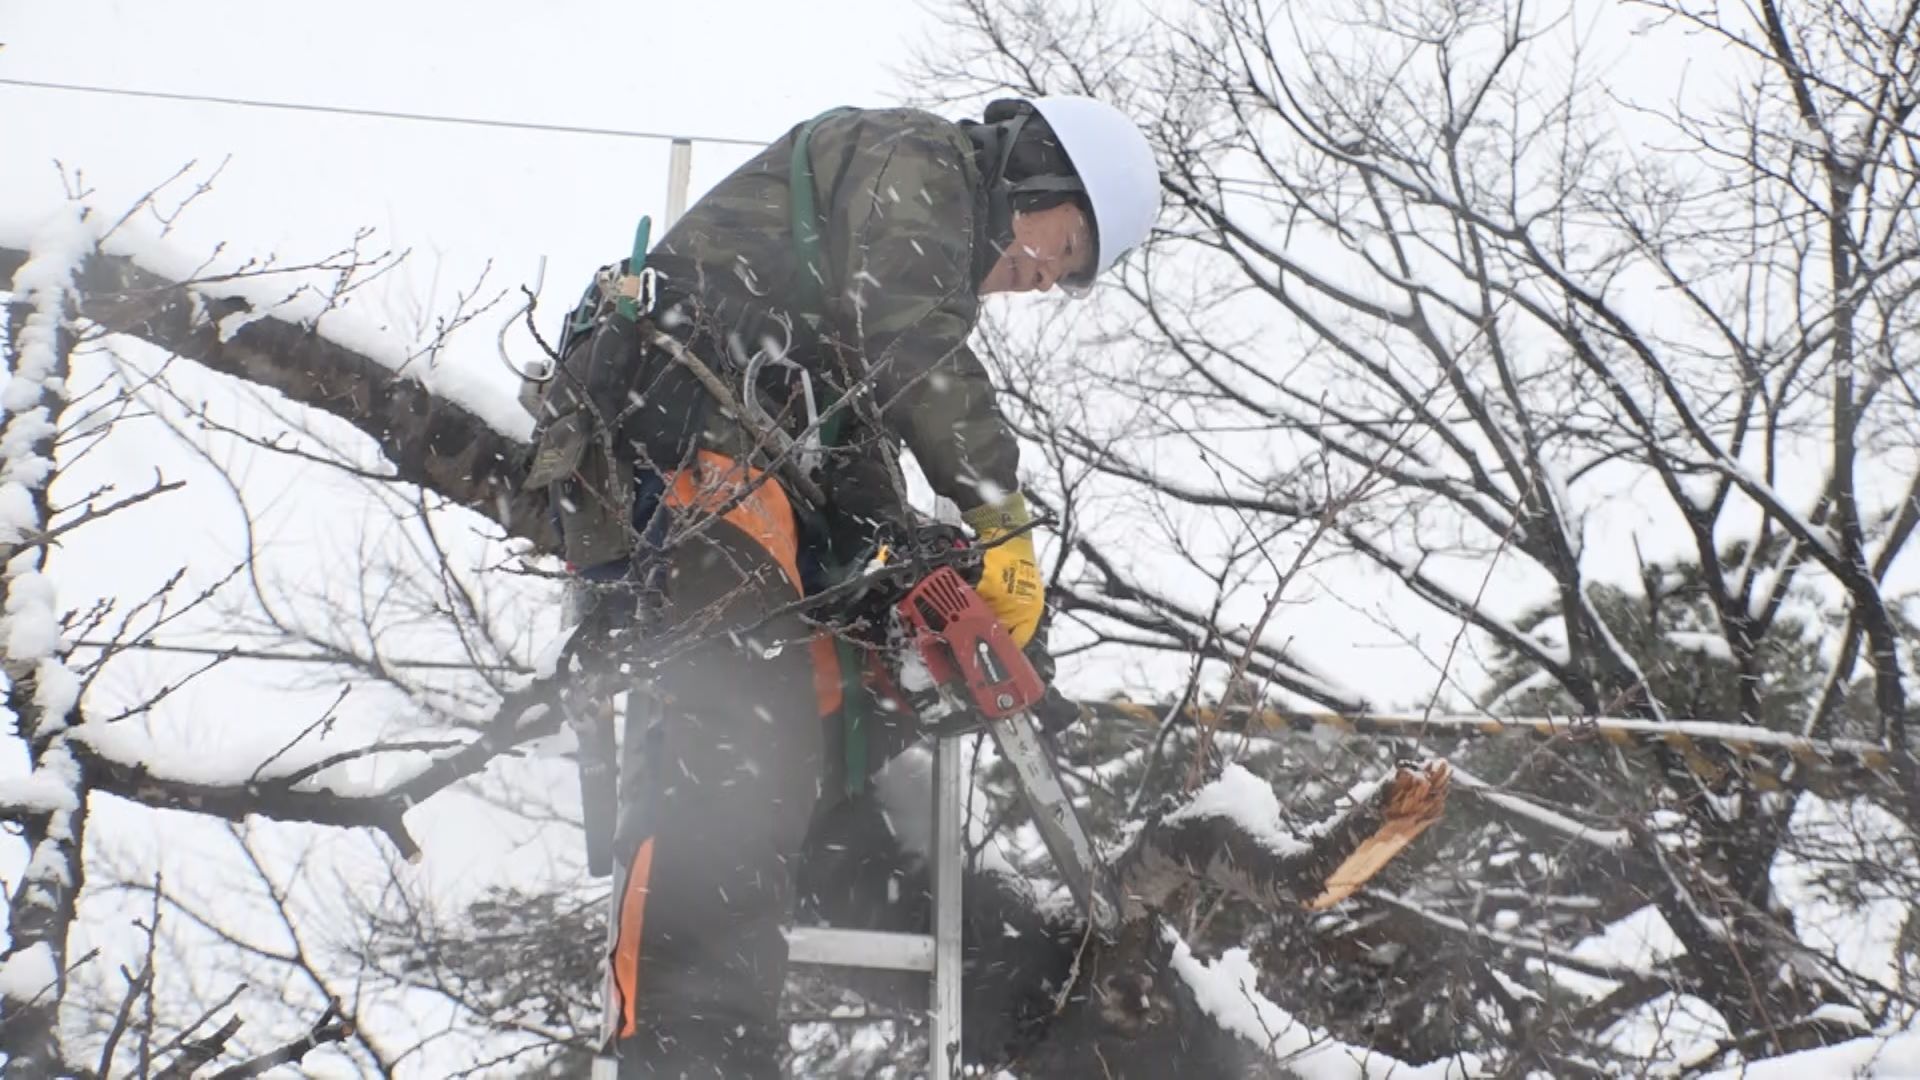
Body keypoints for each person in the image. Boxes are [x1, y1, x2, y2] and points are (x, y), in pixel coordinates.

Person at [523, 94, 1158, 1078]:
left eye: (1065, 277)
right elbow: (905, 333)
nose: (1042, 277)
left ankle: (1022, 1001)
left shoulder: (860, 303)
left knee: (823, 764)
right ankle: (696, 1049)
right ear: (1037, 170)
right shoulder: (919, 160)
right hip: (687, 434)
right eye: (1062, 245)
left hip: (755, 467)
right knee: (741, 746)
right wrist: (999, 512)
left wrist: (921, 564)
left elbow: (854, 445)